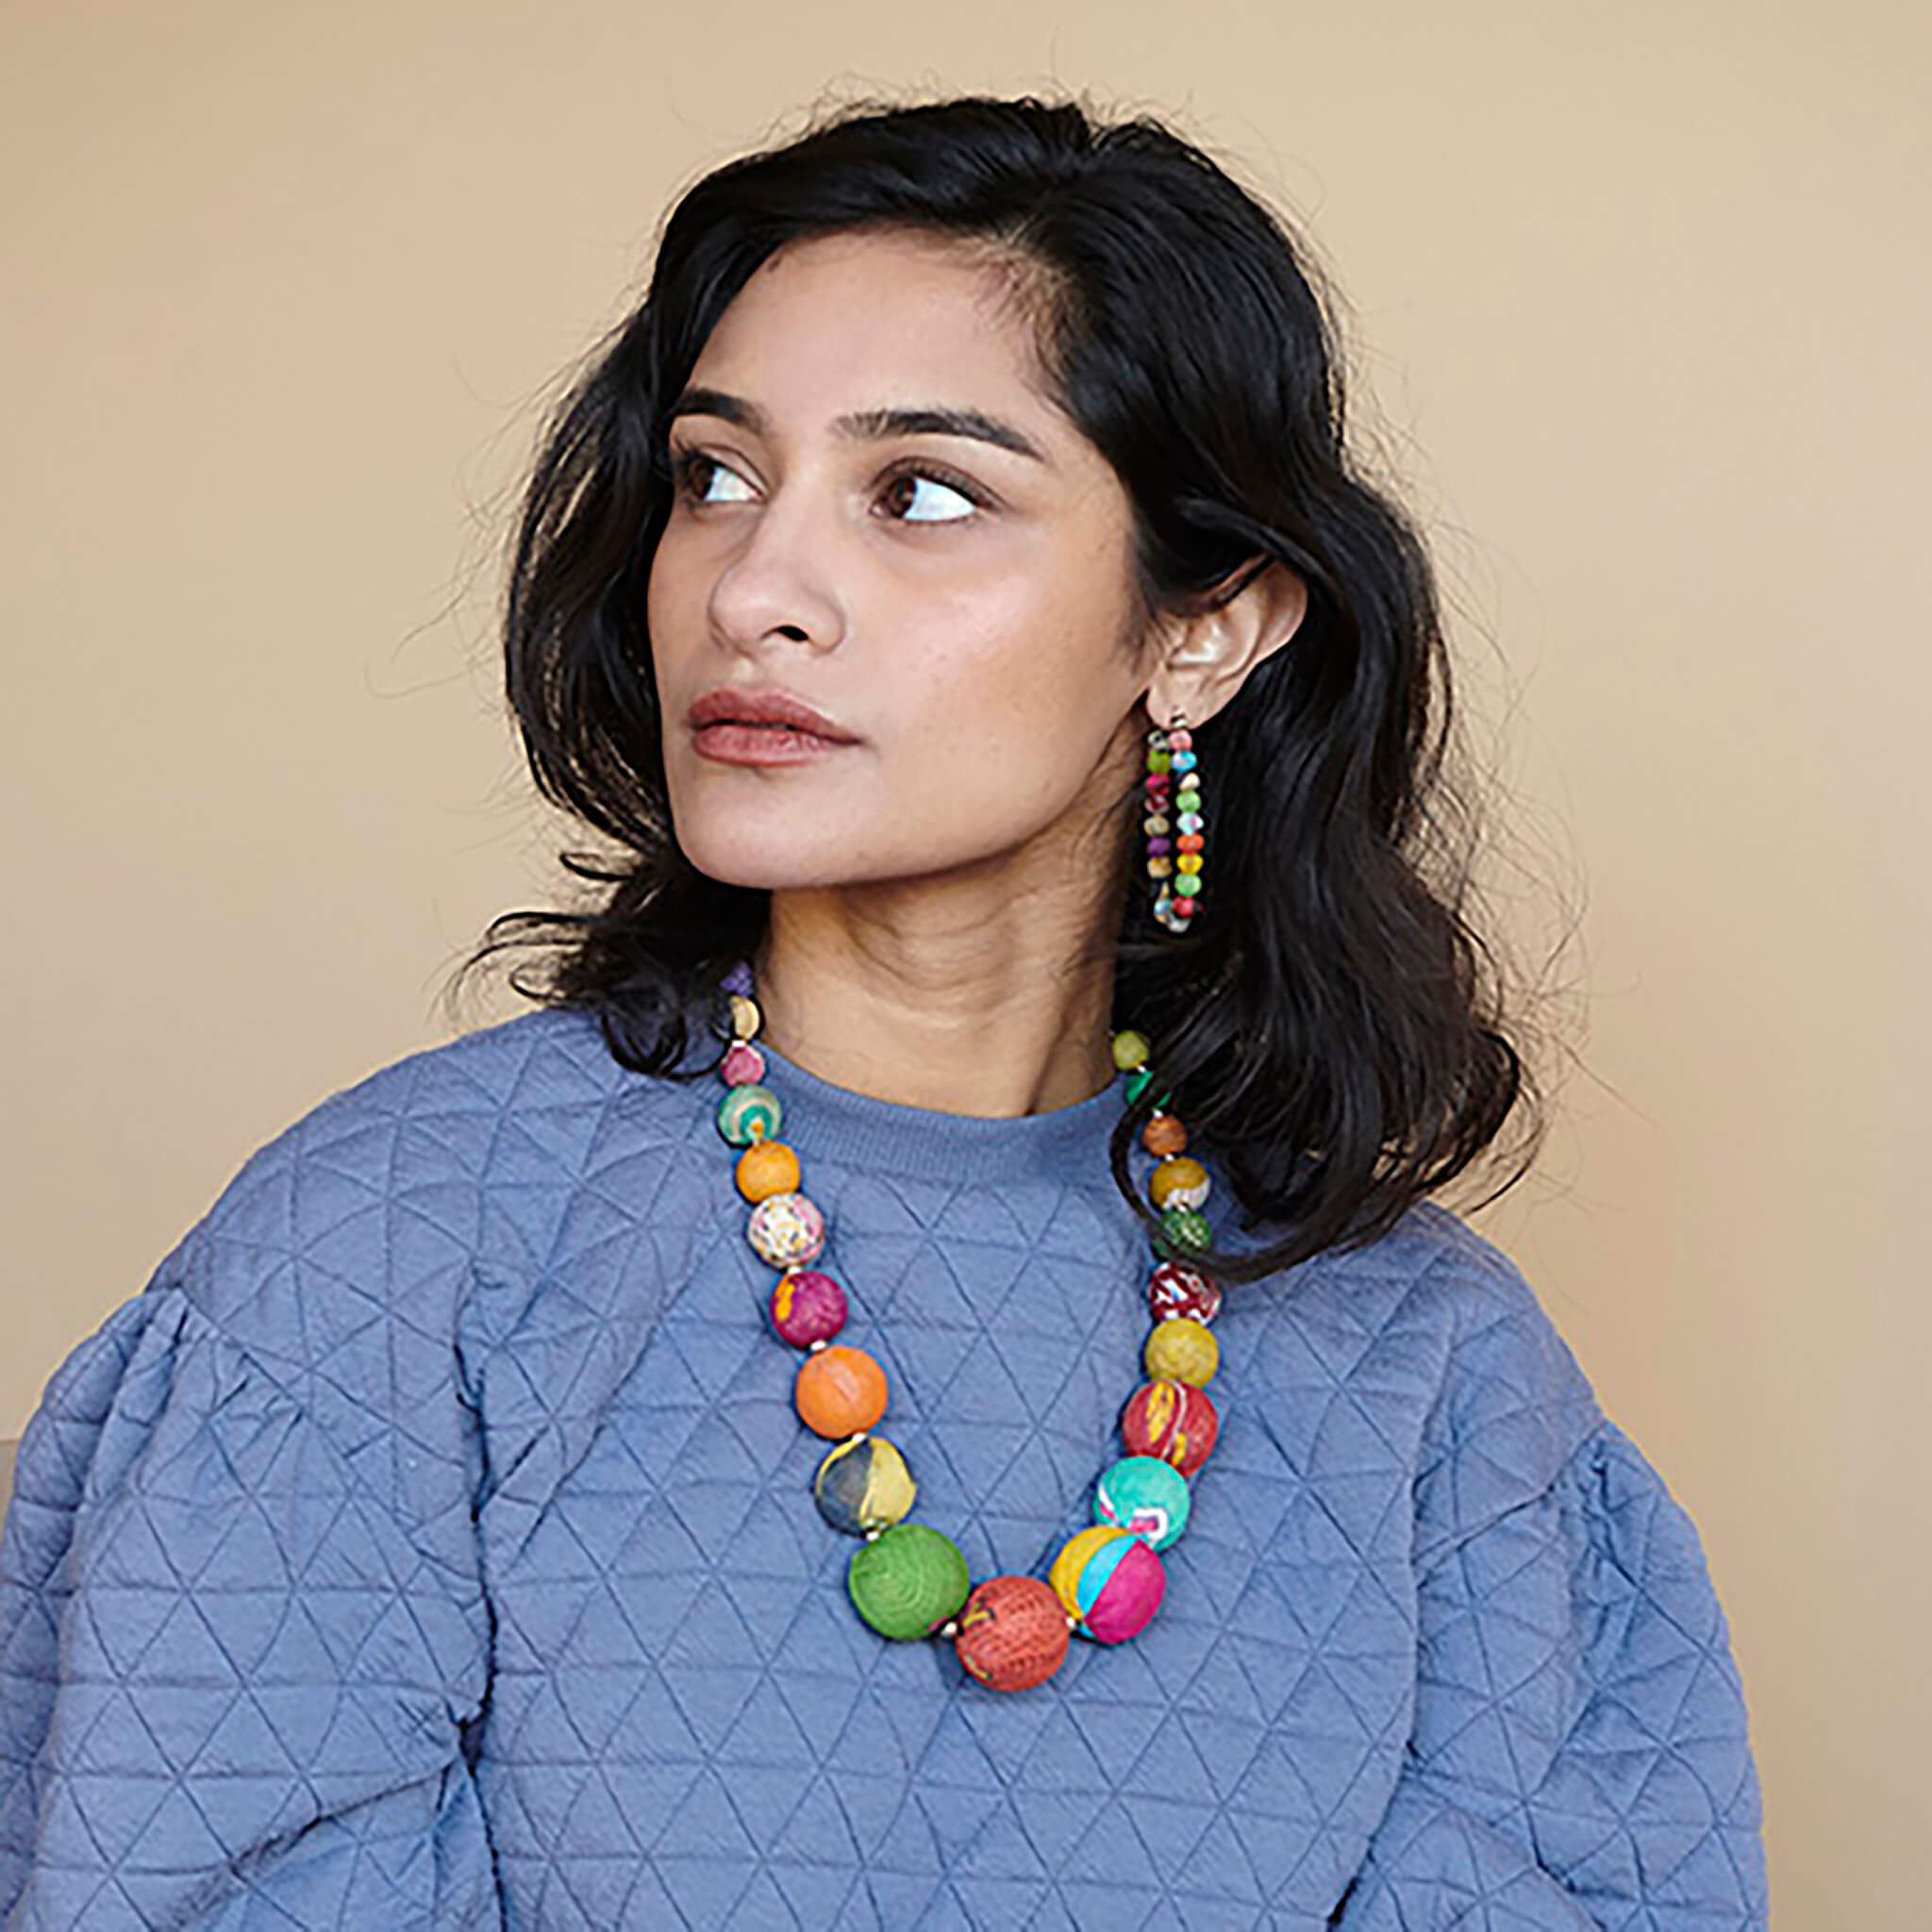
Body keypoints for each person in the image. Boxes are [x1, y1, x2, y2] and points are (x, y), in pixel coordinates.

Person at [0, 93, 1766, 1929]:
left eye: (921, 492)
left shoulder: (1445, 1390)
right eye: (712, 475)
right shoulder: (376, 1271)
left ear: (1207, 626)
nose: (753, 588)